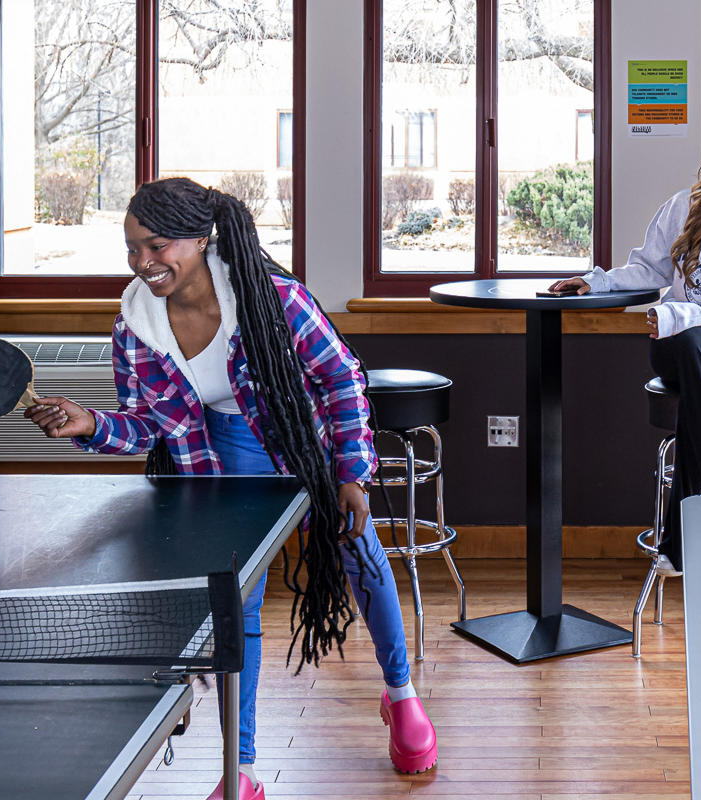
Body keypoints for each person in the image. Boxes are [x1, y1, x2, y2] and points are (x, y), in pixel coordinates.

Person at [25, 178, 437, 798]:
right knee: (235, 609)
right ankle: (239, 768)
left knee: (362, 561)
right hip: (218, 473)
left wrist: (352, 473)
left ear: (200, 238)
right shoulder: (135, 327)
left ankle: (402, 696)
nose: (144, 263)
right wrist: (90, 424)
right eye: (132, 248)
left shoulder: (273, 299)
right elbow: (147, 427)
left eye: (158, 245)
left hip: (305, 456)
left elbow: (340, 376)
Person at [549, 117, 701, 571]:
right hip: (674, 347)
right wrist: (595, 281)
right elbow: (648, 270)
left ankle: (676, 547)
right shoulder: (683, 207)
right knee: (690, 339)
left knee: (698, 407)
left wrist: (678, 312)